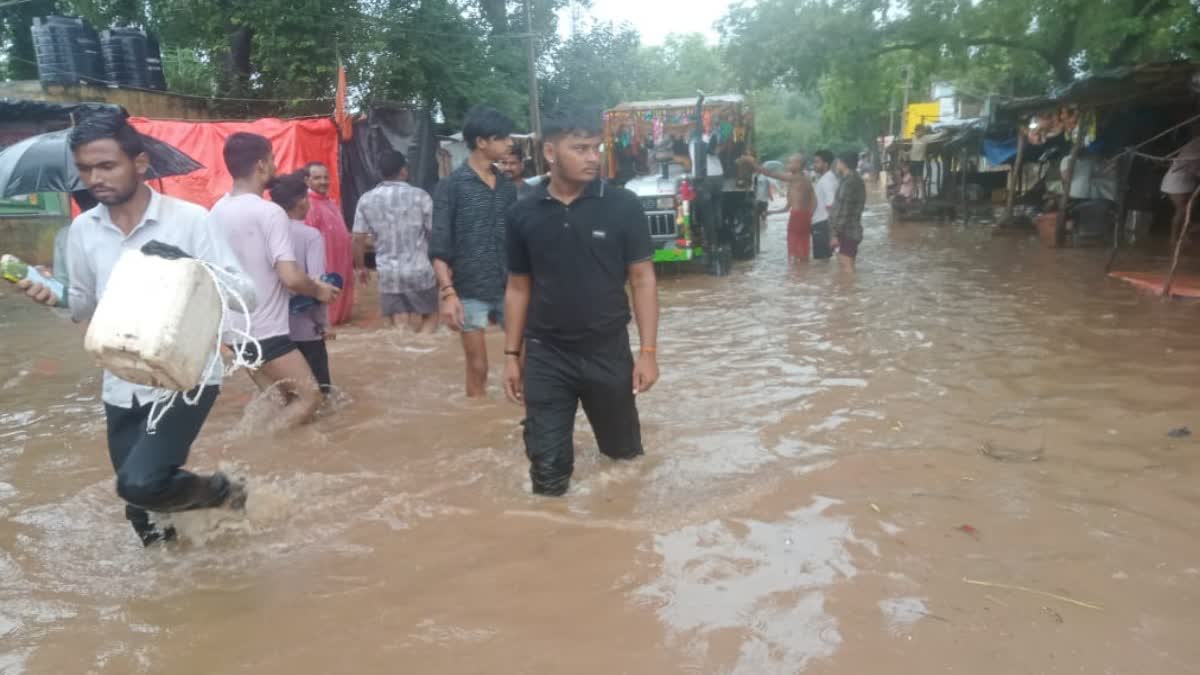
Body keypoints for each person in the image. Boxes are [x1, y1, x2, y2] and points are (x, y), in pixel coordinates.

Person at [16, 112, 254, 546]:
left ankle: (224, 491)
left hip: (185, 376)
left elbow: (245, 293)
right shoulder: (82, 232)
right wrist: (54, 297)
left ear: (140, 163)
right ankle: (181, 586)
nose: (95, 178)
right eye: (86, 169)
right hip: (121, 378)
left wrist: (190, 267)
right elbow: (84, 304)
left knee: (139, 483)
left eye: (107, 166)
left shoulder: (191, 220)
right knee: (142, 513)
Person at [503, 107, 660, 496]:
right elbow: (518, 287)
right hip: (546, 352)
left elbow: (642, 279)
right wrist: (510, 355)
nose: (593, 157)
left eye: (596, 147)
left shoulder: (622, 205)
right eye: (581, 148)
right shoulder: (523, 211)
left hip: (607, 347)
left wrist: (649, 351)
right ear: (551, 153)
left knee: (623, 459)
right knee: (548, 473)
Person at [210, 133, 339, 427]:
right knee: (310, 398)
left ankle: (278, 459)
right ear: (261, 165)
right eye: (272, 159)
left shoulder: (216, 211)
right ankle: (260, 448)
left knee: (281, 401)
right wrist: (319, 289)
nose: (275, 165)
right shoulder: (270, 213)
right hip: (265, 330)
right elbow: (291, 277)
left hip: (233, 331)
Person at [430, 105, 518, 397]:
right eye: (503, 138)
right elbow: (440, 245)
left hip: (511, 288)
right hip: (469, 291)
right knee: (477, 367)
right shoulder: (451, 187)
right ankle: (478, 418)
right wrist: (448, 294)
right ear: (482, 142)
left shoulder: (507, 187)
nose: (510, 143)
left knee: (526, 361)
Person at [353, 150, 438, 333]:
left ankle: (405, 355)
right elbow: (434, 233)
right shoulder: (421, 196)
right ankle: (423, 348)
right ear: (403, 171)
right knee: (431, 315)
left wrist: (360, 268)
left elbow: (357, 238)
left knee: (399, 326)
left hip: (389, 274)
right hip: (420, 271)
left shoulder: (366, 199)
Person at [269, 171, 333, 395]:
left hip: (272, 329)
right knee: (320, 394)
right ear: (301, 202)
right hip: (305, 328)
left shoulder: (265, 232)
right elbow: (317, 285)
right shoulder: (310, 235)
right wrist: (323, 323)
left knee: (285, 394)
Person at [303, 161, 356, 326]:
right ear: (307, 180)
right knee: (325, 318)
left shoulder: (330, 202)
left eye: (326, 177)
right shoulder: (307, 205)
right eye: (317, 178)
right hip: (324, 266)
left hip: (341, 265)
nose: (323, 181)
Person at [759, 153, 816, 263]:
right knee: (803, 249)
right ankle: (803, 275)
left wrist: (752, 164)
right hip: (804, 216)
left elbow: (771, 174)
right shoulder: (805, 180)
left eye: (791, 162)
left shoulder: (796, 178)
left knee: (794, 249)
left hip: (797, 217)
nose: (788, 164)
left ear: (799, 165)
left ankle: (796, 276)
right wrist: (771, 212)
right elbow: (813, 202)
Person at [1161, 128, 1200, 245]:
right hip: (1177, 181)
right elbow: (1193, 168)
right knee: (1182, 211)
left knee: (1190, 208)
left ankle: (1185, 235)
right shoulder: (1196, 145)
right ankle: (1174, 238)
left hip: (1187, 180)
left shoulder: (1196, 142)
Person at [831, 151, 867, 273]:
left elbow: (844, 210)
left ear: (844, 163)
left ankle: (849, 290)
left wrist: (835, 233)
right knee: (846, 265)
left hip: (847, 231)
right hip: (850, 229)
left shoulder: (850, 182)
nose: (836, 165)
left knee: (846, 266)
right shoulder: (850, 179)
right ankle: (849, 290)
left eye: (838, 162)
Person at [811, 149, 838, 260]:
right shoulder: (827, 178)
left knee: (821, 263)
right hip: (823, 224)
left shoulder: (826, 180)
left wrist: (833, 234)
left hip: (823, 224)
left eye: (817, 162)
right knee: (824, 263)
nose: (814, 165)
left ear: (825, 164)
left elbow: (830, 206)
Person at [909, 126, 930, 199]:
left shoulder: (926, 138)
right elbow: (912, 149)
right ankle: (914, 195)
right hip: (912, 161)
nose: (921, 132)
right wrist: (906, 153)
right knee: (913, 179)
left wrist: (945, 132)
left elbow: (936, 136)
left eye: (922, 131)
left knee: (920, 179)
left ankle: (923, 196)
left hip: (919, 161)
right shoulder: (913, 138)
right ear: (916, 131)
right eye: (919, 131)